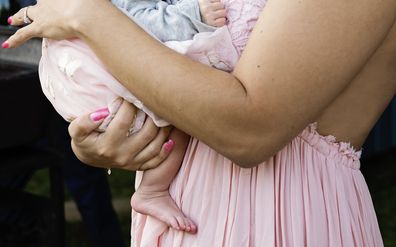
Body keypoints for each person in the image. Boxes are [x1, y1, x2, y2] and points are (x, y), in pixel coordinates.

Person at [3, 0, 396, 246]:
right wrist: (110, 131)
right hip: (176, 212)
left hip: (281, 218)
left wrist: (88, 14)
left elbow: (251, 129)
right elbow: (172, 65)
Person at [38, 0, 232, 233]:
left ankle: (152, 190)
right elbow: (138, 24)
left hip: (90, 70)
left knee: (182, 110)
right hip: (99, 78)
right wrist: (194, 14)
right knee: (184, 111)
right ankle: (153, 190)